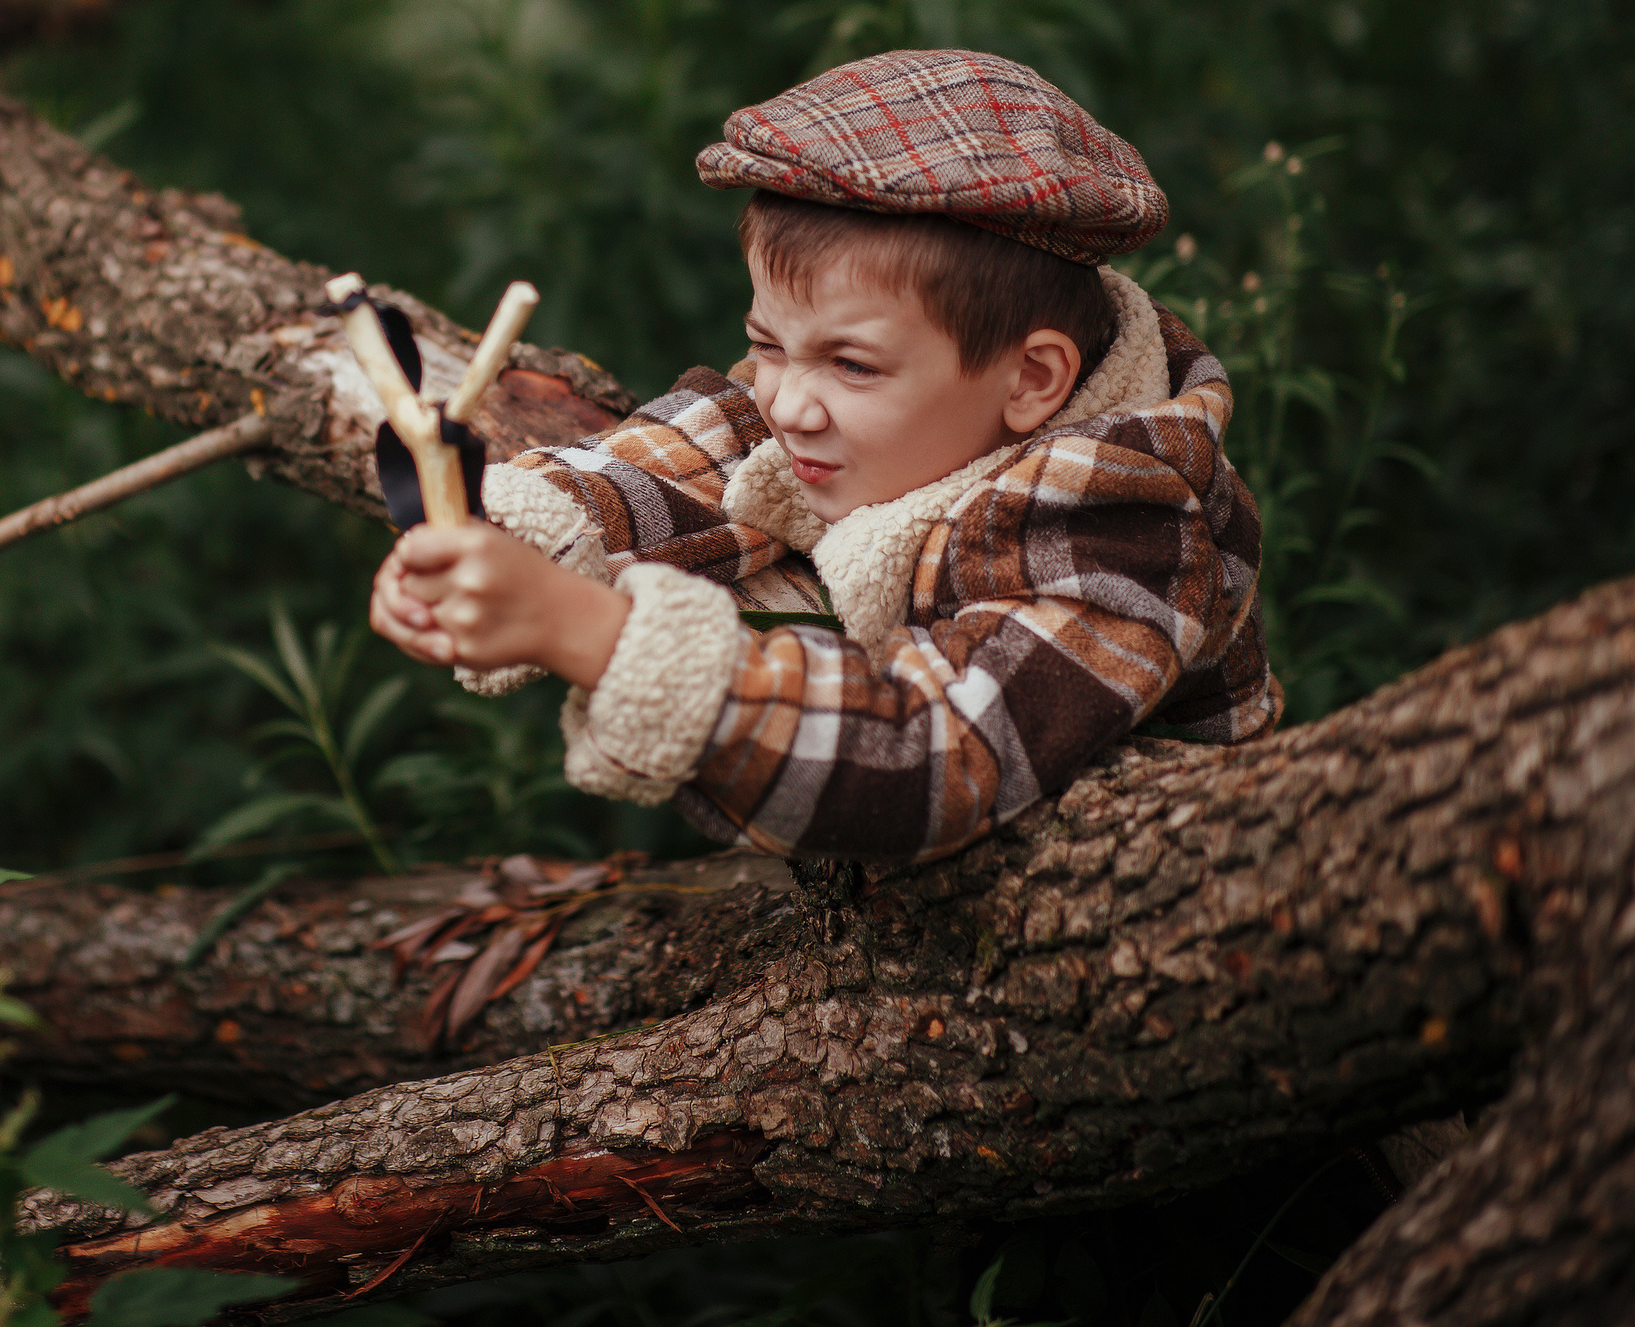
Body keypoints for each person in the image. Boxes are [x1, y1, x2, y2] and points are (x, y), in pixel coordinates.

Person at [368, 49, 1282, 863]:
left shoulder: (1123, 519)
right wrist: (503, 537)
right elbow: (699, 447)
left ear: (1034, 379)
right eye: (767, 343)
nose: (787, 401)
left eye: (850, 363)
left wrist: (590, 632)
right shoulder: (881, 409)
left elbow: (932, 754)